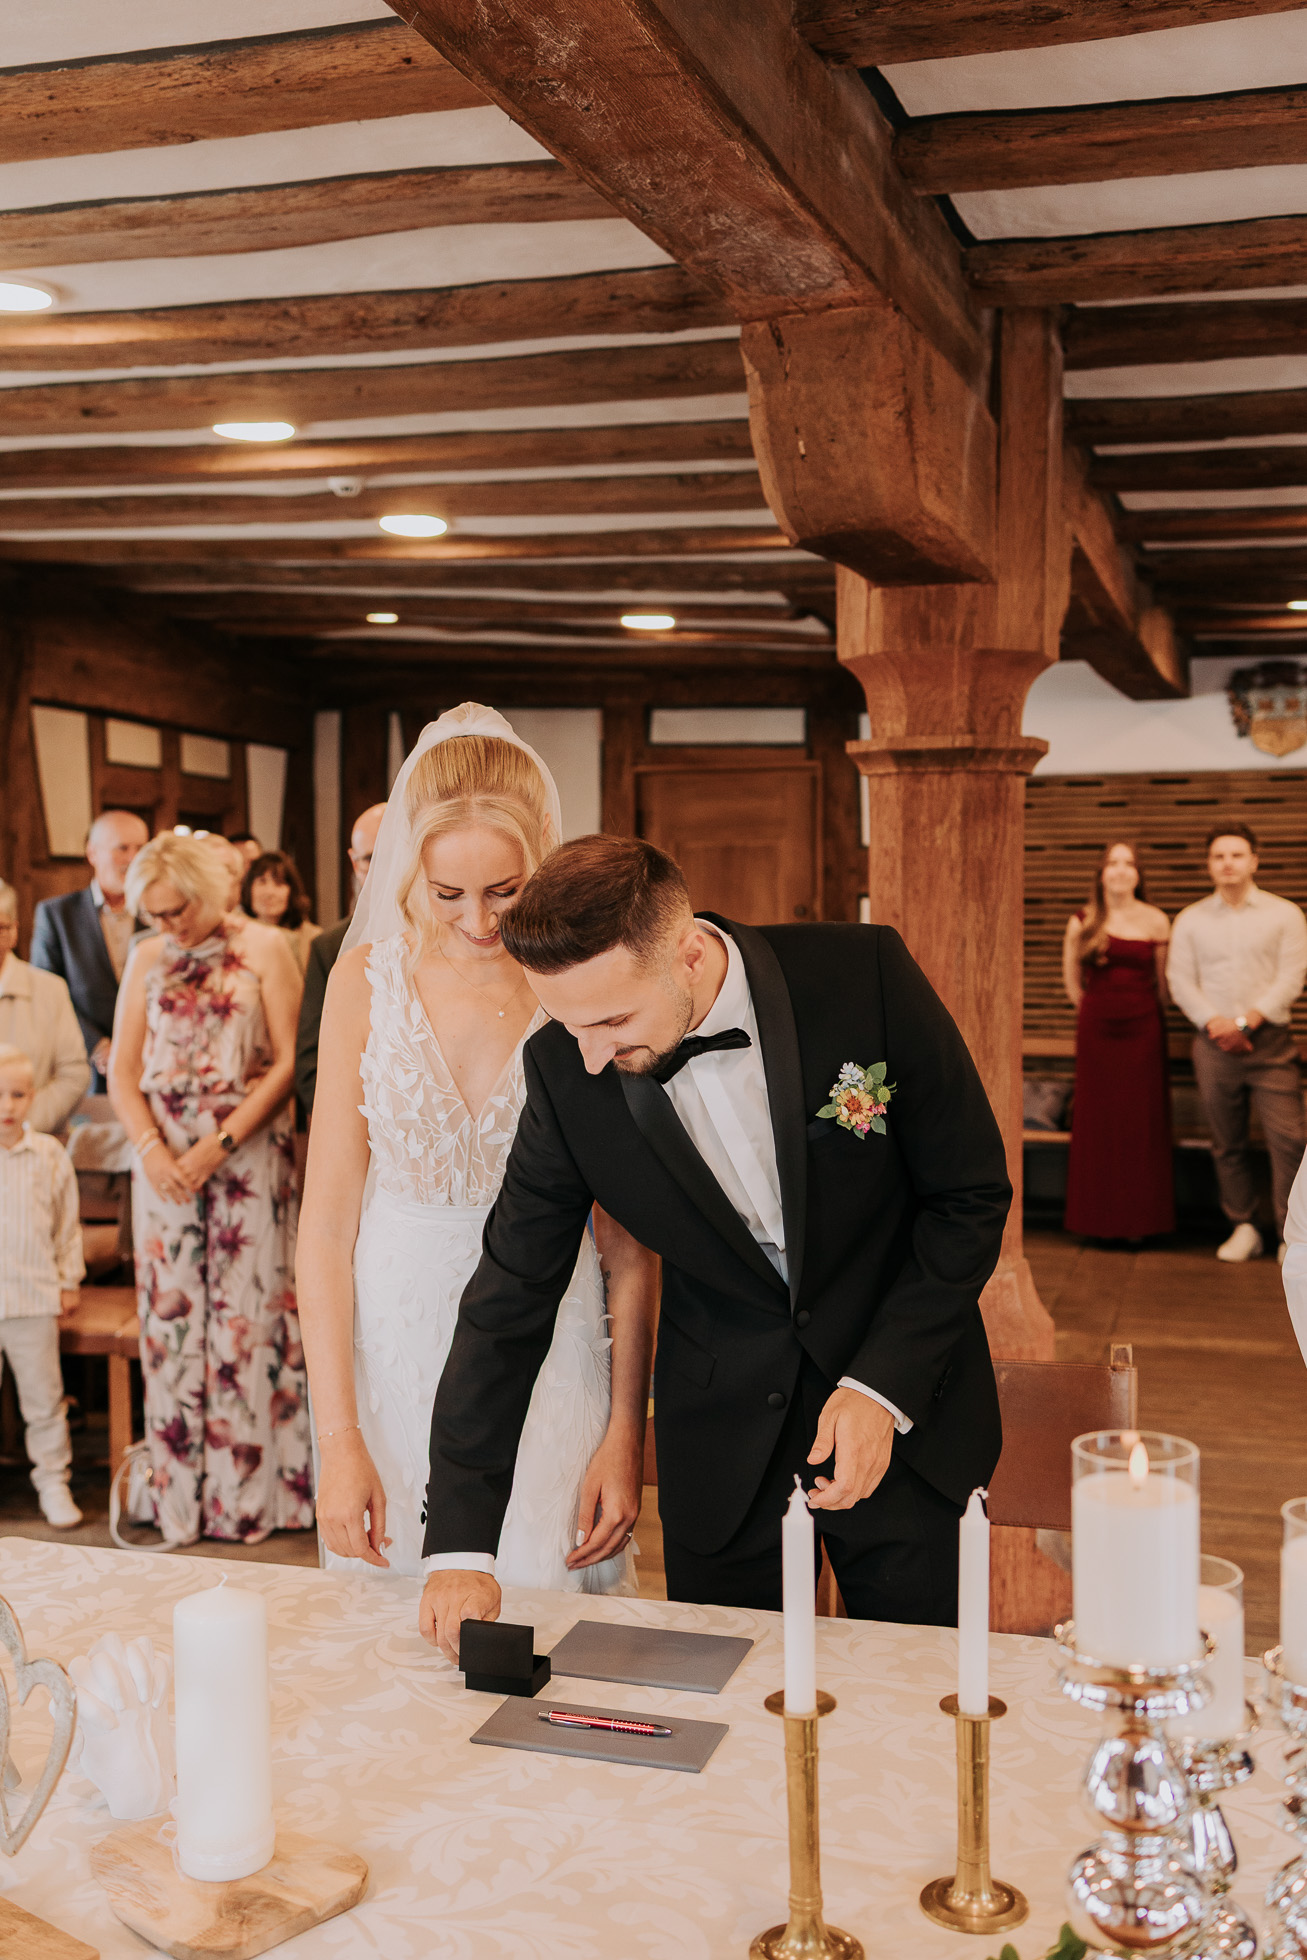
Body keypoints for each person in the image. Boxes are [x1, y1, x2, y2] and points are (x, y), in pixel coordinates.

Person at [419, 832, 1011, 1660]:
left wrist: (881, 1388)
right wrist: (459, 1548)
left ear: (689, 954)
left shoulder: (861, 976)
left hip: (909, 1421)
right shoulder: (563, 1068)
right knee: (729, 1705)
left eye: (612, 1019)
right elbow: (509, 1295)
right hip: (722, 1445)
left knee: (923, 1687)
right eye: (566, 1022)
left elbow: (967, 1198)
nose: (591, 1053)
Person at [296, 706, 659, 1588]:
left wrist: (625, 1433)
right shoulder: (364, 980)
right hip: (392, 1345)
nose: (478, 920)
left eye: (503, 890)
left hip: (550, 1340)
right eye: (446, 893)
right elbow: (326, 1227)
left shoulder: (577, 986)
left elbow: (629, 1243)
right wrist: (338, 1438)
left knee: (546, 1598)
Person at [109, 832, 312, 1547]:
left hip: (247, 1162)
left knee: (246, 1321)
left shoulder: (265, 948)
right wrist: (152, 1150)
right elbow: (122, 1071)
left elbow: (288, 1064)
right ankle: (179, 1501)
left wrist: (218, 1144)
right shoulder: (146, 957)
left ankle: (247, 1499)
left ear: (210, 892)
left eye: (179, 910)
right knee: (170, 1330)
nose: (169, 925)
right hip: (162, 1167)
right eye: (155, 914)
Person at [1168, 823, 1307, 1262]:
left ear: (1254, 861)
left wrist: (1245, 1023)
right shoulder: (1190, 919)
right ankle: (1243, 1225)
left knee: (1290, 1139)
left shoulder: (1285, 914)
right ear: (1209, 864)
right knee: (1226, 1140)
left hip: (1271, 1042)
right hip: (1213, 1043)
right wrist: (1218, 1024)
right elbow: (1180, 980)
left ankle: (1291, 1235)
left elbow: (1291, 977)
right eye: (1219, 856)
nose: (1228, 863)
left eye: (1237, 854)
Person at [1062, 843, 1174, 1242]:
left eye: (1129, 863)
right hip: (1097, 1031)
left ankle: (1141, 1223)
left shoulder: (1157, 921)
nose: (1121, 870)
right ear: (1101, 872)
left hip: (1143, 1030)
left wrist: (1143, 1012)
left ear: (1139, 875)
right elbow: (1073, 984)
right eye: (1113, 863)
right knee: (1098, 1121)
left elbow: (1164, 987)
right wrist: (1098, 1011)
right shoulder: (1083, 921)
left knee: (1141, 1121)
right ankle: (1094, 1222)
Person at [0, 1044, 84, 1529]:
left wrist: (68, 1281)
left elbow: (66, 1226)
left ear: (33, 1096)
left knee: (44, 1398)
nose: (7, 1105)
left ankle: (53, 1481)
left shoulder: (49, 1156)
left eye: (18, 1094)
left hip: (33, 1298)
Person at [31, 810, 148, 1091]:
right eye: (122, 848)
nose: (133, 858)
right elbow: (46, 992)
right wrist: (97, 1046)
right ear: (92, 853)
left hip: (149, 1060)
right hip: (85, 1065)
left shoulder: (157, 913)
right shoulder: (57, 914)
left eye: (141, 848)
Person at [295, 802, 386, 1118]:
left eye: (391, 853)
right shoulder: (329, 946)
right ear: (353, 861)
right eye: (370, 858)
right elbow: (310, 1063)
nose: (382, 868)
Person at [0, 881, 90, 1133]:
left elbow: (73, 1073)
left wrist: (19, 1126)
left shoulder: (50, 990)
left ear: (14, 931)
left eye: (0, 928)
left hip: (34, 1138)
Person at [241, 850, 320, 976]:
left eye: (278, 883)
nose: (269, 892)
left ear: (292, 890)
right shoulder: (237, 935)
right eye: (262, 881)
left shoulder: (314, 939)